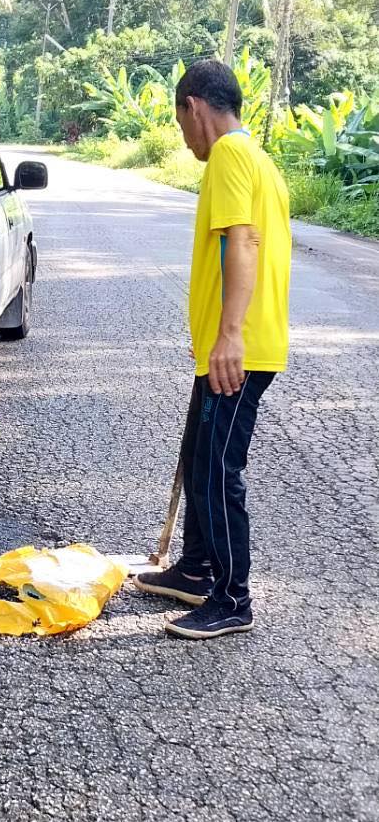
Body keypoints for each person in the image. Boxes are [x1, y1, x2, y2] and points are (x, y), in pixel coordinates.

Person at [135, 58, 291, 640]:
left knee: (216, 471)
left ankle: (232, 598)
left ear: (194, 107)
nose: (183, 135)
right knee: (201, 458)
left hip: (239, 349)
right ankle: (197, 570)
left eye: (180, 123)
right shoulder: (258, 159)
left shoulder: (228, 154)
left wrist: (229, 337)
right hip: (236, 347)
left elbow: (242, 244)